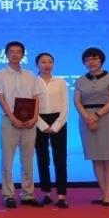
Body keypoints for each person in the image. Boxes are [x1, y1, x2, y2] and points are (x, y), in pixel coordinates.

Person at [0, 41, 44, 209]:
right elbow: (0, 98)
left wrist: (35, 117)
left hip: (29, 122)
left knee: (27, 159)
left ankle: (28, 194)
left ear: (23, 54)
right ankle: (8, 195)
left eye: (18, 51)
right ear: (6, 54)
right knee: (7, 160)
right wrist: (12, 117)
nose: (15, 54)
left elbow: (36, 97)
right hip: (9, 121)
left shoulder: (31, 75)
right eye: (11, 52)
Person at [74, 47, 109, 207]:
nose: (91, 62)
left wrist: (97, 115)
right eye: (87, 60)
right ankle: (104, 193)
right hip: (86, 119)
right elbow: (77, 102)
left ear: (101, 60)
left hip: (106, 118)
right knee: (96, 158)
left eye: (94, 58)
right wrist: (87, 118)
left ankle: (108, 195)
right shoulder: (80, 80)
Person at [34, 52, 69, 208]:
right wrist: (42, 125)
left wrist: (56, 126)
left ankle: (61, 195)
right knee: (43, 159)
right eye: (43, 62)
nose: (47, 65)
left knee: (60, 159)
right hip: (38, 120)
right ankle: (46, 193)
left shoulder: (60, 82)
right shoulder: (33, 82)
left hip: (58, 120)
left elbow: (65, 106)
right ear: (37, 64)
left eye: (50, 62)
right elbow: (30, 105)